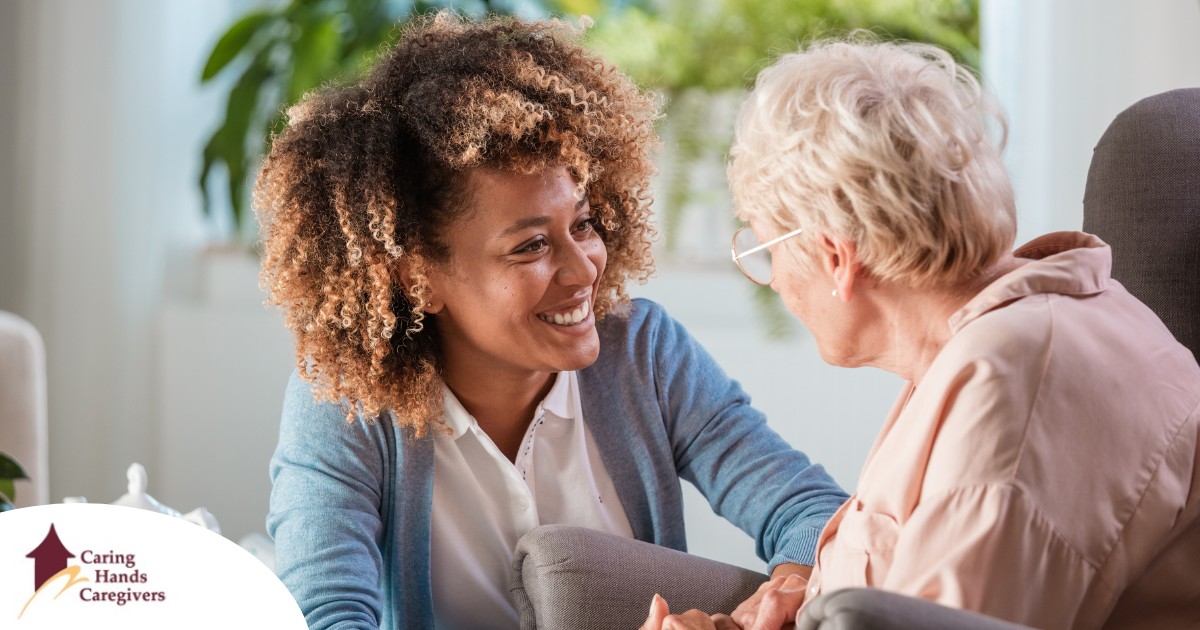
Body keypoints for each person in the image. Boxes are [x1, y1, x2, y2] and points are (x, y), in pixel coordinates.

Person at [256, 11, 848, 630]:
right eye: (530, 246)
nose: (584, 268)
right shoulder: (346, 402)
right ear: (419, 278)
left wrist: (781, 595)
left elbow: (812, 513)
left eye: (583, 225)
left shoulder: (645, 353)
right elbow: (322, 617)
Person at [645, 37, 1200, 630]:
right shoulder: (989, 345)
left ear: (836, 257)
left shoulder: (1012, 386)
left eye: (765, 248)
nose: (773, 281)